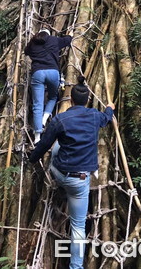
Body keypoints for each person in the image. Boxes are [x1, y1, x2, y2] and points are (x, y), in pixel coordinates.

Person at [29, 76, 115, 269]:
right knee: (78, 226)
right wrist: (110, 107)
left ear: (72, 100)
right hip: (81, 181)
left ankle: (59, 186)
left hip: (61, 174)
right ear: (86, 101)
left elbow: (44, 144)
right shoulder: (95, 116)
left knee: (57, 146)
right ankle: (76, 266)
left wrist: (32, 159)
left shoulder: (61, 119)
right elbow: (107, 117)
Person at [24, 28, 72, 143]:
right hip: (53, 72)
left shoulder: (32, 43)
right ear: (48, 34)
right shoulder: (54, 40)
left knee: (37, 104)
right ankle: (44, 120)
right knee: (53, 97)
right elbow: (67, 40)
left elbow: (26, 52)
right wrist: (70, 34)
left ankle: (37, 137)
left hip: (37, 73)